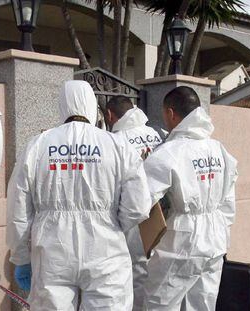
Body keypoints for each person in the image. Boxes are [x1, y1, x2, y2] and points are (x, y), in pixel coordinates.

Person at [6, 80, 152, 310]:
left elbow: (18, 208)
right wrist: (111, 224)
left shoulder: (38, 145)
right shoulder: (117, 144)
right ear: (92, 105)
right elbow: (138, 205)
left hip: (52, 248)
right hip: (106, 250)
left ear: (61, 106)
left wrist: (21, 256)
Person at [143, 86, 238, 311]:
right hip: (215, 239)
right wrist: (220, 229)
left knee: (160, 302)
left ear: (171, 113)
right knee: (202, 303)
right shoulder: (219, 150)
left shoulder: (170, 152)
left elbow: (139, 200)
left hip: (182, 240)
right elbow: (228, 203)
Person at [105, 96, 166, 311]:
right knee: (158, 272)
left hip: (132, 213)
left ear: (110, 115)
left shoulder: (116, 140)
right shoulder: (158, 134)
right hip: (163, 213)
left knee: (134, 272)